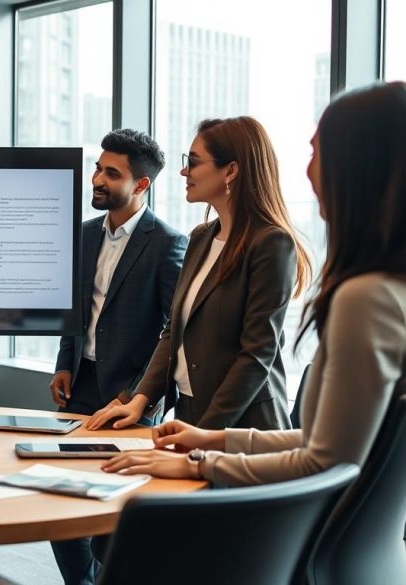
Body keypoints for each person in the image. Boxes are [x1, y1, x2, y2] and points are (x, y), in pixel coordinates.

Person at [101, 82, 406, 485]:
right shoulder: (200, 238)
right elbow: (322, 442)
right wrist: (168, 415)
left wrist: (202, 456)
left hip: (256, 443)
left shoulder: (362, 294)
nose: (308, 169)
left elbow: (322, 454)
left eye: (318, 152)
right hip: (210, 428)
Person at [87, 116, 312, 432]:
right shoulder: (200, 237)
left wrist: (205, 433)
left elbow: (256, 356)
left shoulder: (272, 244)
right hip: (189, 415)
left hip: (244, 427)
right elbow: (173, 330)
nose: (183, 172)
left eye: (193, 163)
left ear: (230, 171)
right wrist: (139, 400)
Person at [48, 129, 187, 585]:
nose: (97, 179)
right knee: (60, 500)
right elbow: (75, 308)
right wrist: (64, 363)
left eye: (111, 173)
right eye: (97, 168)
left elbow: (174, 331)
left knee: (115, 516)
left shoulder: (167, 243)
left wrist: (138, 394)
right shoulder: (84, 235)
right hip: (81, 387)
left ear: (141, 185)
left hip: (130, 399)